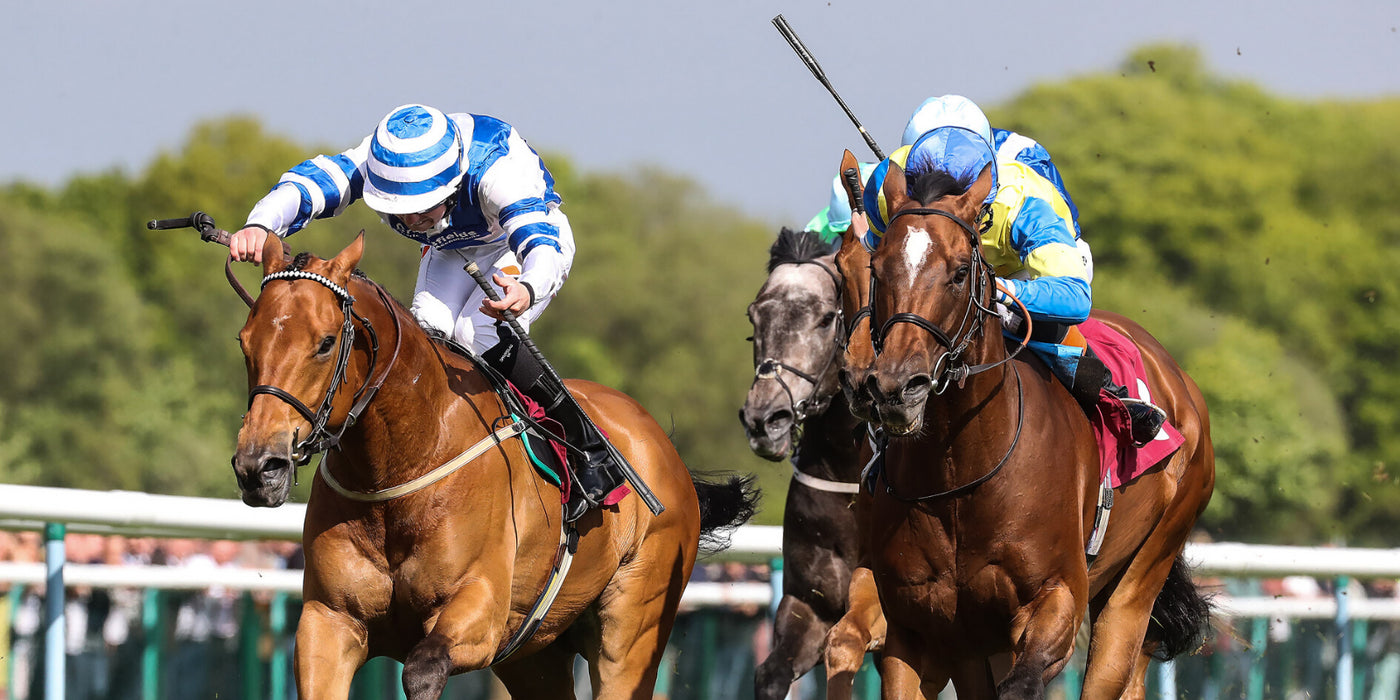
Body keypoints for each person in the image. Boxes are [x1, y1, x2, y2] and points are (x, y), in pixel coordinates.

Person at [229, 103, 619, 521]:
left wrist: (527, 287)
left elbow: (539, 241)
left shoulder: (498, 173)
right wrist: (261, 224)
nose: (411, 219)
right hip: (453, 249)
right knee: (430, 337)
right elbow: (313, 183)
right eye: (399, 210)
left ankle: (590, 448)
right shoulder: (380, 161)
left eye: (421, 208)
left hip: (523, 243)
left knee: (478, 333)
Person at [859, 96, 1165, 445]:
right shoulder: (884, 190)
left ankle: (1110, 395)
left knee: (1013, 319)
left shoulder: (1025, 203)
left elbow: (1075, 298)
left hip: (1026, 269)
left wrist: (995, 289)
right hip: (940, 272)